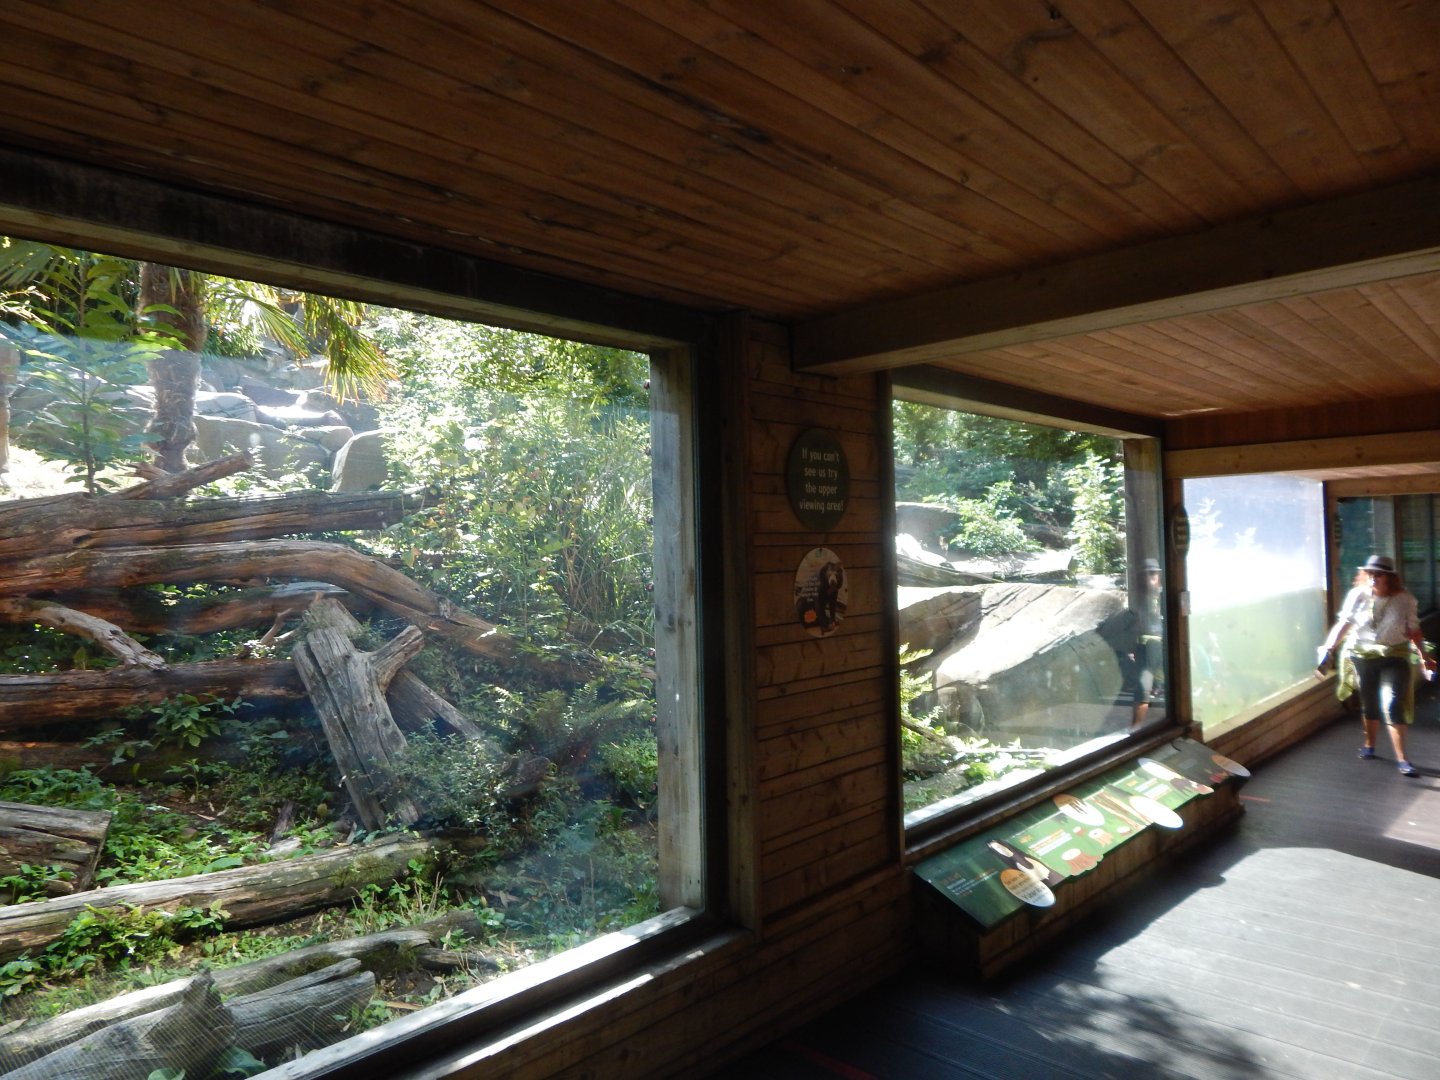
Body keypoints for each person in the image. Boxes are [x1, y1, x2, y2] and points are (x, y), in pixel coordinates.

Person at [1317, 554, 1437, 776]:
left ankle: (1403, 759)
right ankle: (1369, 744)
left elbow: (1414, 630)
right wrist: (1328, 648)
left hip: (1395, 654)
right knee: (1369, 701)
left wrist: (1424, 658)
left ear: (1390, 578)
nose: (1373, 578)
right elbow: (1344, 623)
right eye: (1370, 573)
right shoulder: (1357, 596)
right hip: (1362, 654)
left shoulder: (1405, 600)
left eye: (1379, 574)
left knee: (1392, 703)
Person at [1129, 558, 1165, 727]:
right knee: (1143, 690)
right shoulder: (1139, 600)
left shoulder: (1164, 595)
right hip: (1147, 649)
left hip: (1165, 647)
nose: (1149, 578)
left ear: (1158, 576)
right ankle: (1135, 729)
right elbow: (1135, 626)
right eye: (1146, 575)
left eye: (1153, 574)